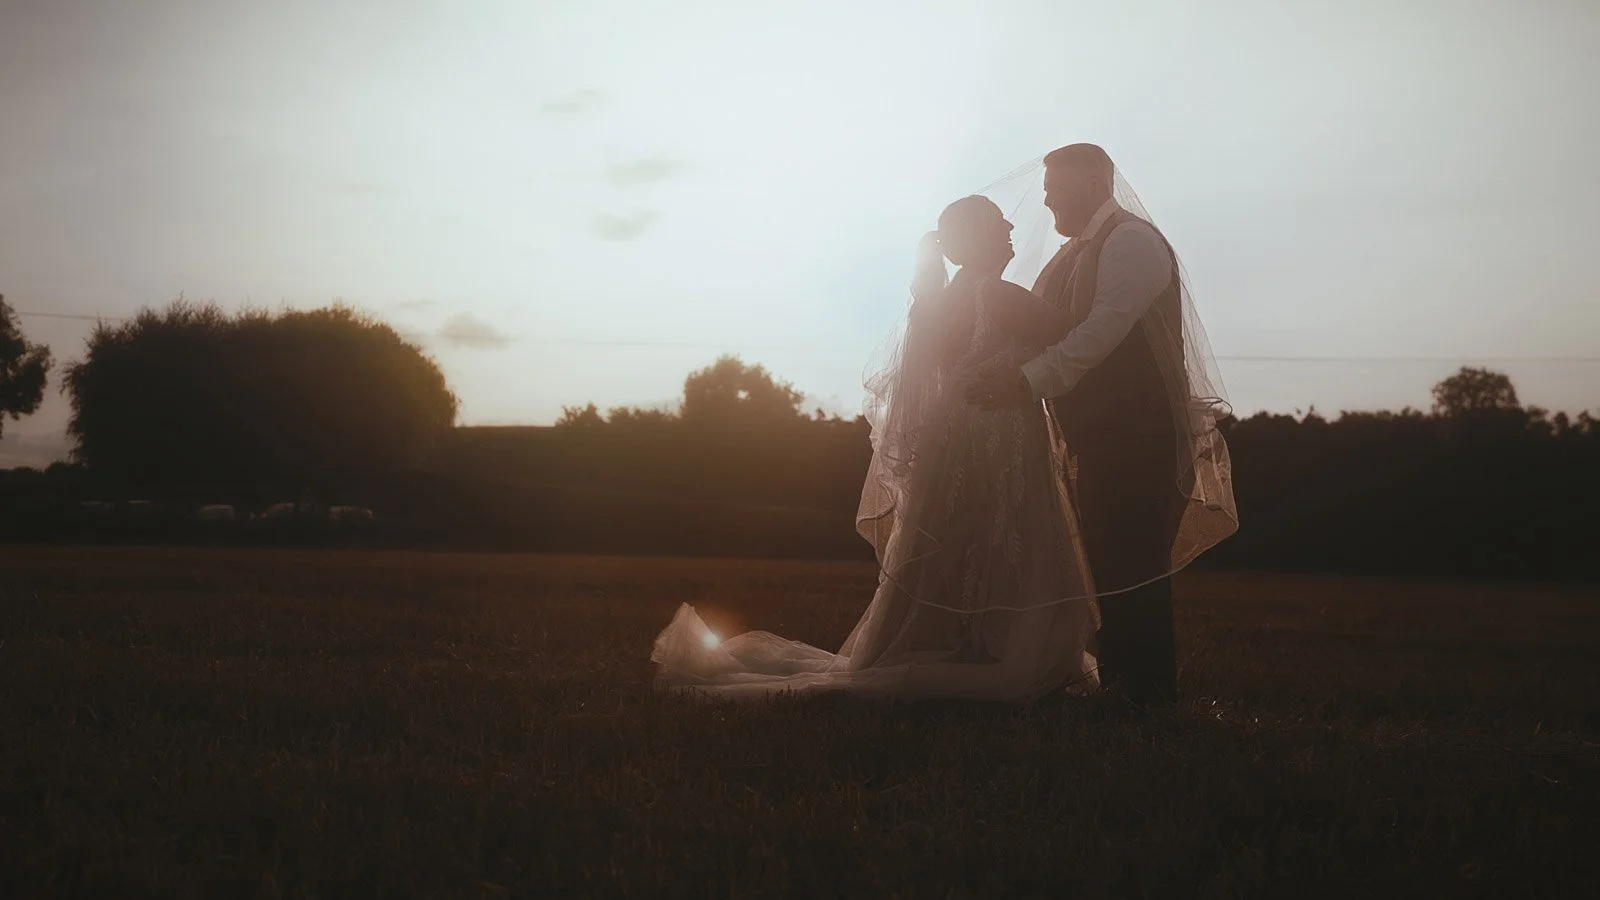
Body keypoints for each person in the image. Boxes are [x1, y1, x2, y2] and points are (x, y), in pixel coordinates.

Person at [650, 195, 1100, 702]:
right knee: (1004, 535)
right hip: (997, 434)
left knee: (961, 539)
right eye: (1000, 220)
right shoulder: (998, 295)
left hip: (952, 436)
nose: (1012, 224)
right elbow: (1083, 331)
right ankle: (1001, 648)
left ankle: (951, 639)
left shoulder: (937, 303)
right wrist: (1079, 262)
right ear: (978, 236)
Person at [966, 143, 1238, 707]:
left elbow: (1100, 332)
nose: (1045, 199)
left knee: (1135, 560)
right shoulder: (1072, 256)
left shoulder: (1133, 243)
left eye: (1055, 187)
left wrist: (1025, 382)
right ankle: (1124, 685)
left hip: (1139, 431)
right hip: (1098, 432)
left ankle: (1148, 695)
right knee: (1107, 560)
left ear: (1094, 180)